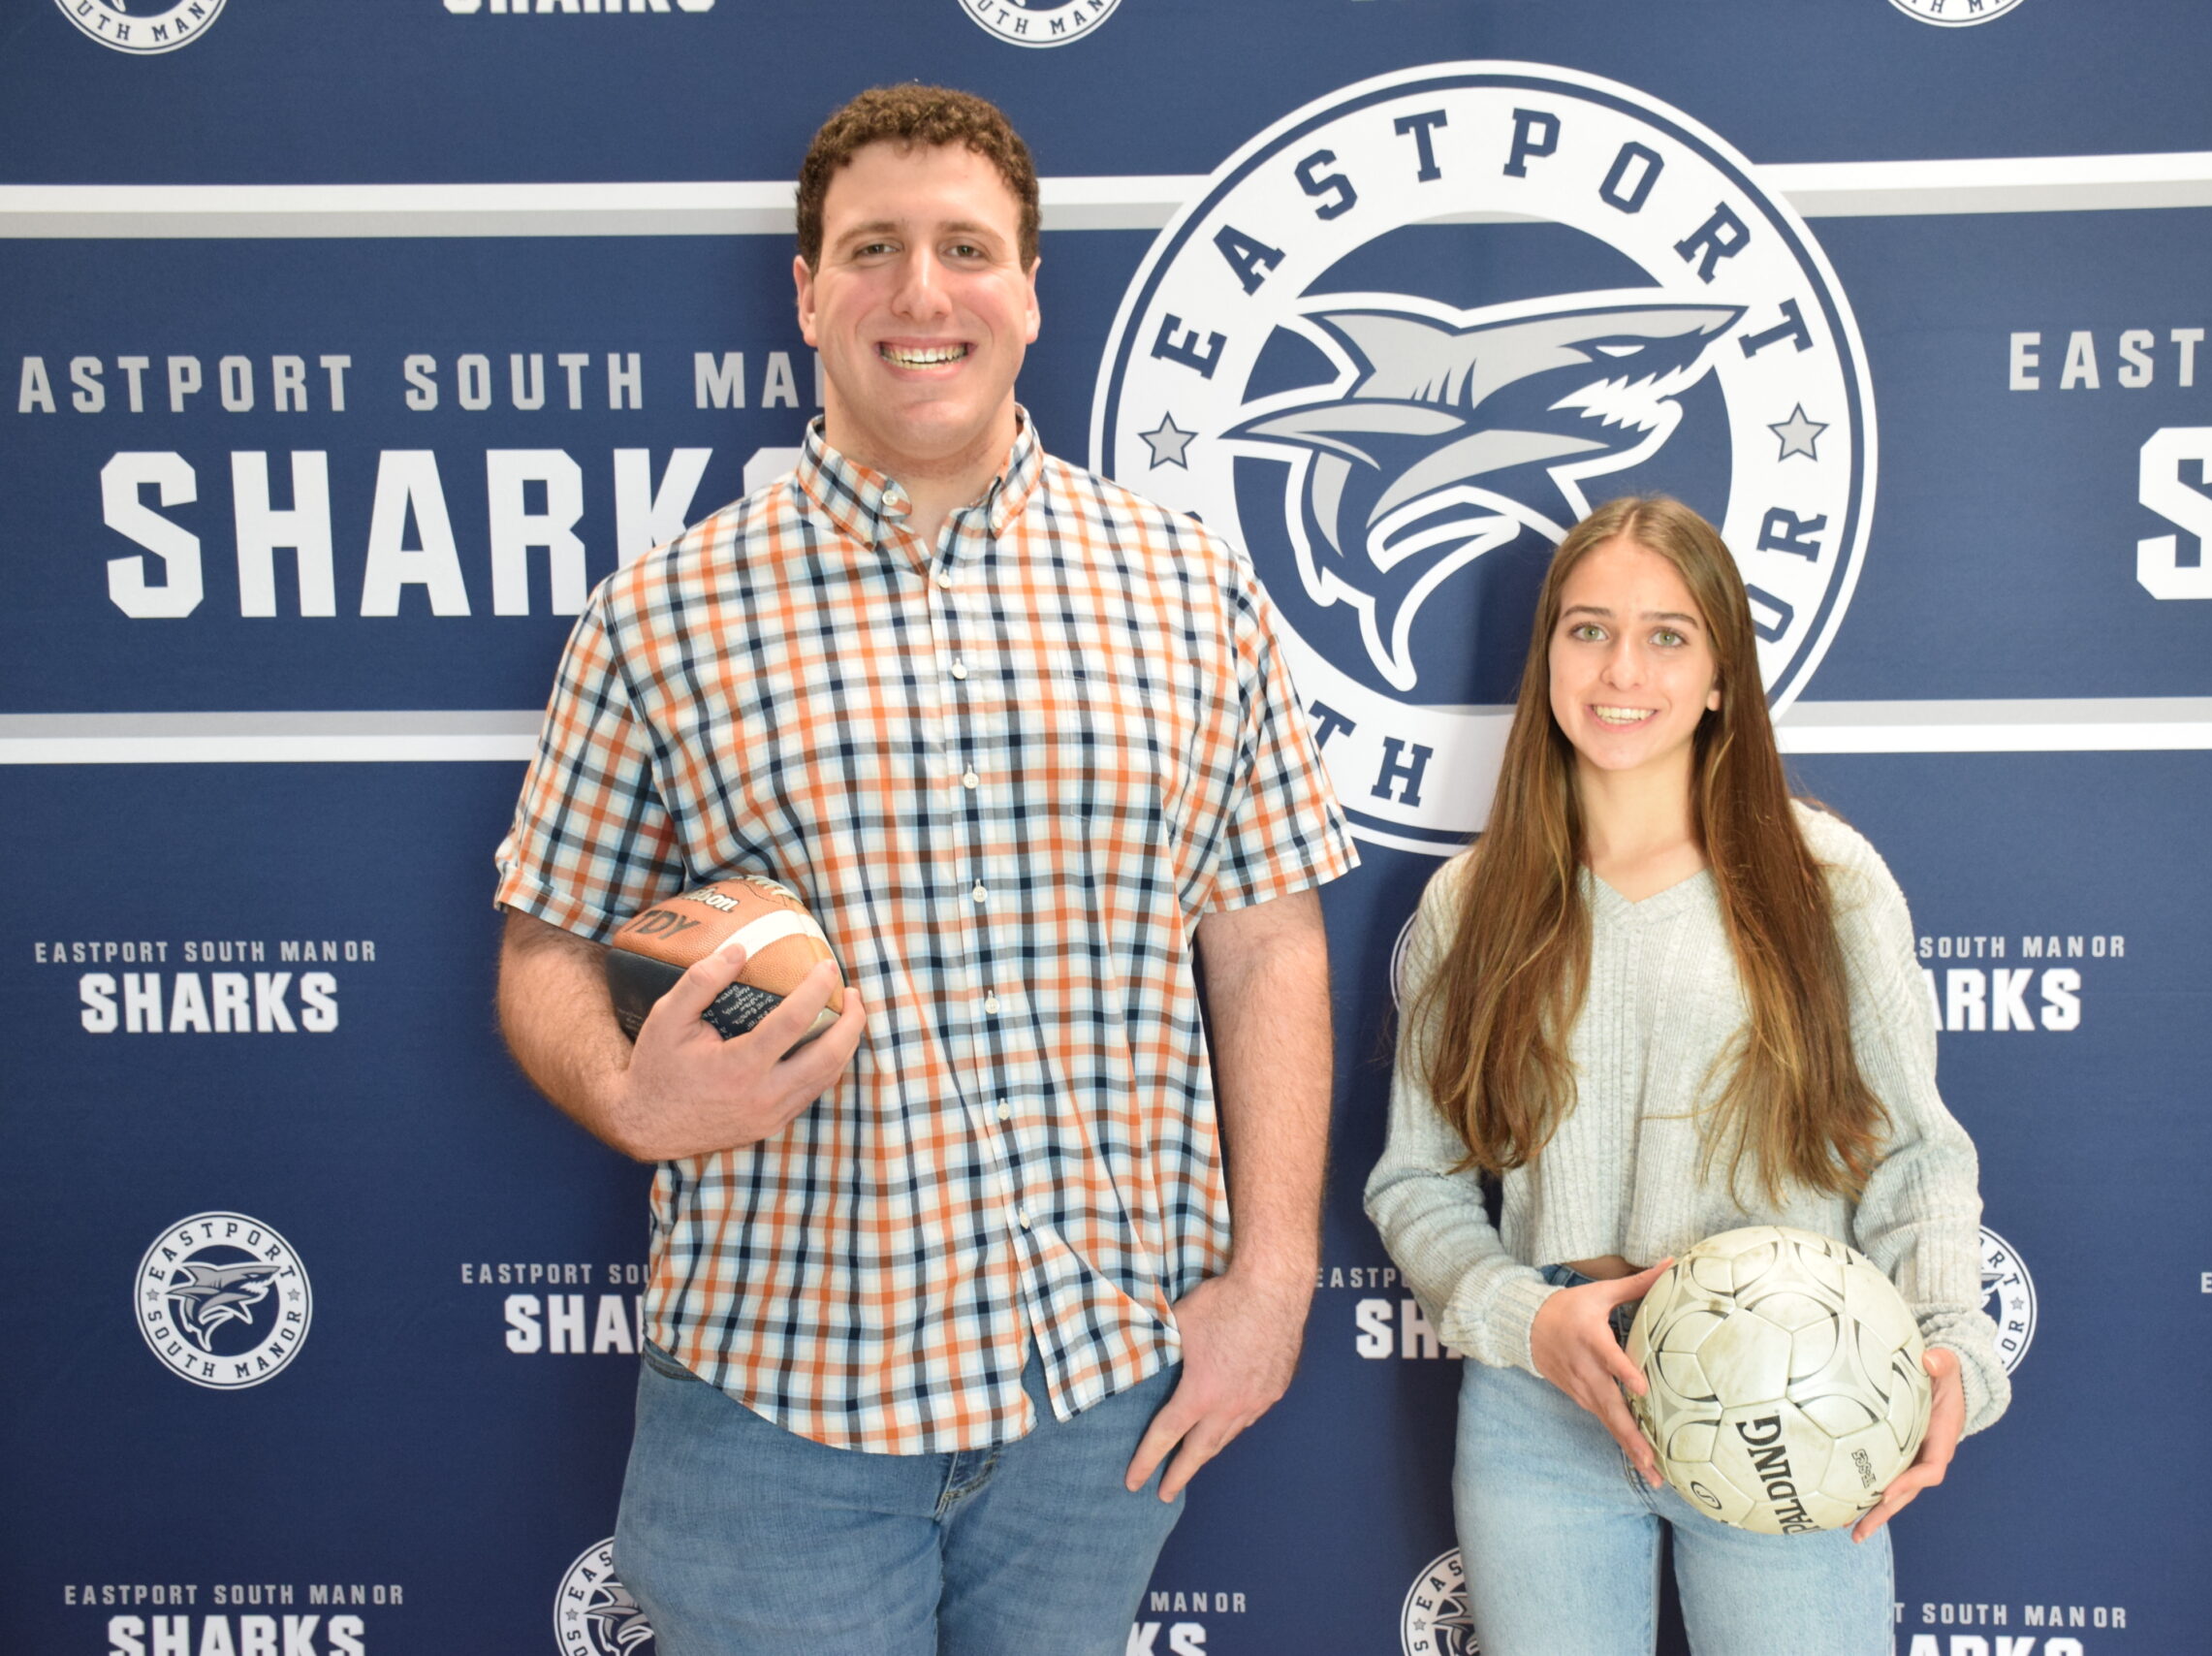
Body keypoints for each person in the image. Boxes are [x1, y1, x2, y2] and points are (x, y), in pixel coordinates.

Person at [492, 84, 1356, 1656]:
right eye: (872, 248)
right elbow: (547, 947)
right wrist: (632, 1100)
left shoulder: (1186, 583)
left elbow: (1267, 933)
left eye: (967, 247)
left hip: (1097, 1388)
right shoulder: (665, 613)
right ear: (808, 291)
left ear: (1029, 290)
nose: (921, 291)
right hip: (783, 1393)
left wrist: (1273, 1274)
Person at [1365, 495, 2007, 1656]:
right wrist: (1527, 1316)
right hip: (1540, 1399)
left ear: (1721, 675)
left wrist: (1952, 1344)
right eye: (1587, 628)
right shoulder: (1472, 902)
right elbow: (1416, 1182)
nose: (1622, 668)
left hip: (1793, 1390)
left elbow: (1915, 1155)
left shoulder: (1828, 882)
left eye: (1667, 635)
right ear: (1548, 656)